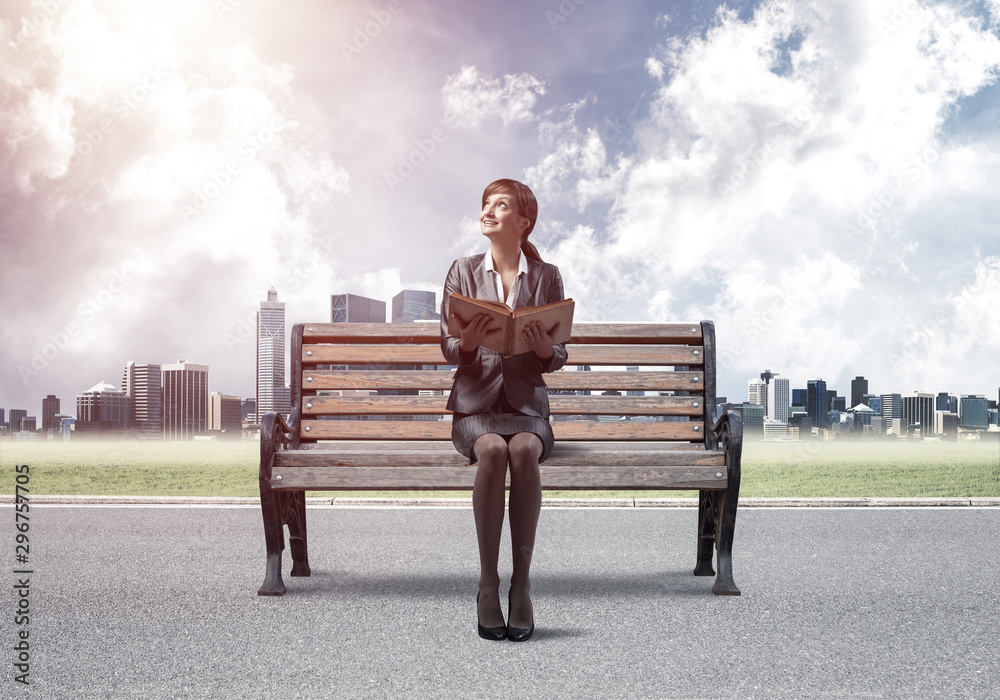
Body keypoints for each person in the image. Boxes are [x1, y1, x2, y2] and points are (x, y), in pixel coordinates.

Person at [440, 178, 567, 642]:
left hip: (528, 408)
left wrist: (541, 350)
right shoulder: (462, 270)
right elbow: (448, 346)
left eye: (501, 205)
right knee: (493, 449)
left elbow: (559, 354)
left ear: (524, 221)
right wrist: (468, 345)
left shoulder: (547, 276)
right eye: (485, 204)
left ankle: (524, 584)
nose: (488, 212)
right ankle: (488, 583)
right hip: (475, 408)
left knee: (525, 450)